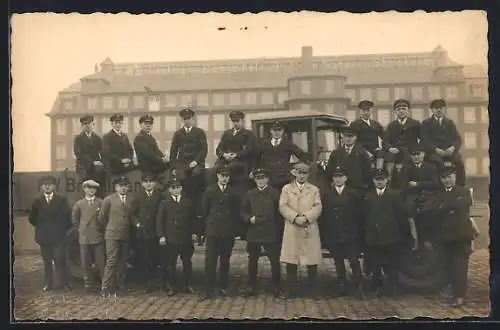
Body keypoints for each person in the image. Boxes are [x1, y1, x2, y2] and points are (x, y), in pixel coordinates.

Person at [426, 165, 474, 307]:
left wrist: (443, 207)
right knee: (447, 265)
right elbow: (432, 210)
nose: (447, 180)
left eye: (449, 177)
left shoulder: (464, 192)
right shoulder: (439, 195)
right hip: (445, 236)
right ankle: (451, 291)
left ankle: (460, 295)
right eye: (444, 178)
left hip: (460, 236)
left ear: (455, 177)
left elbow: (462, 206)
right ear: (441, 180)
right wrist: (448, 208)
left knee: (460, 266)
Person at [363, 169, 415, 298]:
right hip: (374, 237)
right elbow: (364, 217)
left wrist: (405, 236)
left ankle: (393, 289)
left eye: (382, 179)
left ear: (387, 180)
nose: (380, 182)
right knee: (375, 263)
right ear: (373, 181)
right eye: (377, 179)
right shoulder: (369, 197)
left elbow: (402, 217)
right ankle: (377, 288)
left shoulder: (394, 195)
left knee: (391, 264)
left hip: (391, 237)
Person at [279, 162, 322, 299]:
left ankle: (313, 290)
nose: (302, 176)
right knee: (291, 260)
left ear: (308, 175)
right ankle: (289, 290)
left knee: (311, 261)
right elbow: (282, 205)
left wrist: (307, 217)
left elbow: (318, 206)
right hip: (292, 227)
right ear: (294, 173)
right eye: (299, 173)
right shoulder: (286, 189)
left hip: (309, 227)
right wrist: (295, 217)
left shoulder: (314, 189)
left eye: (304, 173)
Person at [321, 166, 364, 299]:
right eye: (335, 177)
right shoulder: (327, 195)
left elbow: (360, 215)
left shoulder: (354, 194)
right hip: (334, 234)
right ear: (332, 179)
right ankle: (342, 286)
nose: (338, 179)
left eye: (341, 176)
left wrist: (357, 232)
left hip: (350, 234)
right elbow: (325, 216)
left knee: (353, 260)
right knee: (338, 261)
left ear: (345, 178)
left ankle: (359, 287)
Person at [199, 165, 241, 300]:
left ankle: (223, 287)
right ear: (217, 176)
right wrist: (207, 228)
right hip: (213, 231)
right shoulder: (210, 191)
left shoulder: (233, 192)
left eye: (227, 176)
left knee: (225, 261)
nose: (224, 178)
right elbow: (204, 211)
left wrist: (233, 229)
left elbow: (236, 212)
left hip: (227, 232)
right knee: (210, 261)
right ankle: (208, 290)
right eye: (222, 176)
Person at [240, 168, 283, 298]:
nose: (260, 181)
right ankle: (251, 286)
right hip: (254, 231)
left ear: (267, 179)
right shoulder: (250, 194)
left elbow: (279, 213)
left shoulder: (275, 193)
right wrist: (248, 218)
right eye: (258, 178)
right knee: (252, 260)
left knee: (274, 260)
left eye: (263, 178)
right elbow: (243, 211)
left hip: (270, 231)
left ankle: (276, 286)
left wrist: (277, 228)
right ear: (255, 180)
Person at [28, 175, 72, 292]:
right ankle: (49, 284)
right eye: (44, 184)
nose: (47, 186)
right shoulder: (37, 202)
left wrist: (60, 230)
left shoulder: (62, 200)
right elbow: (32, 219)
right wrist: (42, 228)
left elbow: (68, 217)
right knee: (47, 261)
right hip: (44, 238)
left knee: (60, 260)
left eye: (50, 184)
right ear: (42, 187)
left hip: (58, 237)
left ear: (54, 186)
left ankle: (64, 284)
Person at [156, 178, 199, 296]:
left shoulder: (188, 202)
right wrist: (161, 236)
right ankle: (172, 286)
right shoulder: (165, 203)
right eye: (173, 188)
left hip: (185, 238)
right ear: (169, 190)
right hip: (171, 238)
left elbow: (193, 219)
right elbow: (160, 221)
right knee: (170, 263)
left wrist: (195, 232)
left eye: (178, 187)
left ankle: (188, 285)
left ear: (181, 188)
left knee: (187, 262)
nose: (176, 190)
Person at [393, 143, 439, 242]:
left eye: (418, 154)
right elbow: (403, 185)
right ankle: (414, 239)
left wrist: (418, 184)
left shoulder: (431, 167)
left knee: (429, 213)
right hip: (412, 196)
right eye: (413, 155)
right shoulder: (406, 168)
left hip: (428, 195)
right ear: (410, 156)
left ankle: (428, 240)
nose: (416, 157)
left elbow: (434, 184)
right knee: (408, 213)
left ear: (423, 154)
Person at [98, 176, 135, 297]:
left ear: (128, 187)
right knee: (111, 261)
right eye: (120, 185)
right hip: (112, 234)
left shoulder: (130, 200)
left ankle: (121, 285)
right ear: (116, 187)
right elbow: (102, 218)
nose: (123, 188)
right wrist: (109, 229)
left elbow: (131, 216)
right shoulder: (109, 200)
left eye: (125, 185)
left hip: (125, 234)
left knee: (123, 261)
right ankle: (105, 287)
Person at [169, 107, 208, 213]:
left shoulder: (199, 132)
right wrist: (173, 167)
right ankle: (184, 205)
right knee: (181, 178)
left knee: (196, 175)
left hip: (196, 163)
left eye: (189, 118)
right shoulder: (178, 134)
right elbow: (173, 151)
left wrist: (196, 161)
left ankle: (196, 204)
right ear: (182, 120)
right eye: (185, 119)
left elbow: (204, 150)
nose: (187, 121)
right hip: (183, 163)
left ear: (193, 119)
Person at [131, 173, 164, 293]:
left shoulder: (160, 196)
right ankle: (148, 283)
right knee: (145, 257)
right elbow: (133, 214)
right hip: (143, 232)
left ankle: (157, 282)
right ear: (142, 183)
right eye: (146, 181)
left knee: (157, 257)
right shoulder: (138, 196)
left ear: (154, 183)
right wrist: (137, 224)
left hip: (156, 232)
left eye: (151, 181)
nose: (148, 184)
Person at [421, 99, 466, 187]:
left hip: (449, 151)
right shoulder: (426, 123)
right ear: (432, 110)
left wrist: (452, 148)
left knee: (459, 163)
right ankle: (440, 188)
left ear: (444, 109)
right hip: (434, 152)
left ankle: (460, 188)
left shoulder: (449, 123)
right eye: (436, 108)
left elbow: (457, 139)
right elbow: (424, 140)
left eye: (441, 108)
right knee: (438, 163)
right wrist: (436, 149)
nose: (439, 110)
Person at [71, 179, 106, 293]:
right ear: (84, 189)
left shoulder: (101, 203)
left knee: (101, 262)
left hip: (98, 236)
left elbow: (104, 219)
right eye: (89, 188)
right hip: (85, 238)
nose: (91, 190)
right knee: (86, 263)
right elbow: (75, 220)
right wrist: (82, 231)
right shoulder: (79, 204)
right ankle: (88, 284)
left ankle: (104, 285)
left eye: (94, 188)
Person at [256, 120, 309, 191]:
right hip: (269, 178)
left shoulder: (288, 144)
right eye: (274, 130)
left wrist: (295, 168)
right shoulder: (264, 144)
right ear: (271, 131)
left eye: (279, 130)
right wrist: (260, 169)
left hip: (284, 178)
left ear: (283, 131)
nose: (277, 132)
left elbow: (303, 156)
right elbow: (256, 158)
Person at [215, 110, 257, 192]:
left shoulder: (249, 134)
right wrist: (224, 155)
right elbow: (219, 149)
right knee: (214, 170)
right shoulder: (227, 133)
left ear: (242, 121)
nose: (235, 123)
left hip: (241, 162)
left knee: (231, 168)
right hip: (226, 160)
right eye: (233, 121)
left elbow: (250, 150)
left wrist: (236, 155)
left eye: (237, 121)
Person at [325, 126, 373, 194]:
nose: (348, 139)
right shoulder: (335, 153)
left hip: (358, 190)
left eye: (351, 136)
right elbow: (329, 171)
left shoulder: (362, 153)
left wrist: (364, 187)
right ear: (342, 137)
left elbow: (368, 173)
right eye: (346, 136)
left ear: (355, 138)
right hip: (340, 190)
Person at [385, 99, 421, 179]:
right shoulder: (391, 125)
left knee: (410, 161)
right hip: (396, 150)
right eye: (398, 109)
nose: (401, 111)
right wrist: (390, 148)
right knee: (389, 160)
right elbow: (386, 141)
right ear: (395, 111)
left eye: (404, 109)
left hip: (411, 150)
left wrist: (419, 149)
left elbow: (422, 138)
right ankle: (388, 180)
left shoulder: (415, 123)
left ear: (408, 111)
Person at [73, 115, 107, 197]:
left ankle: (99, 198)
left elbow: (103, 152)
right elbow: (78, 154)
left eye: (89, 123)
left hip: (96, 167)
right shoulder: (78, 139)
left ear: (93, 124)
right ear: (82, 126)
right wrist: (92, 162)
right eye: (85, 124)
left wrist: (102, 161)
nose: (87, 125)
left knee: (102, 175)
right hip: (83, 166)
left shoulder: (97, 138)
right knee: (86, 185)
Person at [133, 114, 170, 187]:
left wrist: (164, 156)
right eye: (146, 124)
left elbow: (156, 150)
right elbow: (148, 154)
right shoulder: (139, 138)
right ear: (140, 124)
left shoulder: (150, 137)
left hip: (154, 165)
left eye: (150, 124)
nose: (148, 126)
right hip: (147, 167)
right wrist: (161, 160)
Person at [349, 100, 386, 170]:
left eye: (368, 110)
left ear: (371, 111)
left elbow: (385, 136)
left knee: (381, 153)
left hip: (374, 150)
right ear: (360, 111)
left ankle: (379, 172)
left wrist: (386, 147)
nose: (366, 112)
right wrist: (366, 152)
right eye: (364, 110)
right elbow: (353, 141)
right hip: (360, 150)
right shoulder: (354, 124)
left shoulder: (375, 124)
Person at [102, 113, 135, 182]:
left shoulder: (125, 136)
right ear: (112, 124)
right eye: (116, 123)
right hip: (114, 168)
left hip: (125, 168)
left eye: (120, 123)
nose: (118, 125)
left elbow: (130, 150)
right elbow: (107, 153)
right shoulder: (107, 137)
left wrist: (129, 160)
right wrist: (121, 161)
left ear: (122, 123)